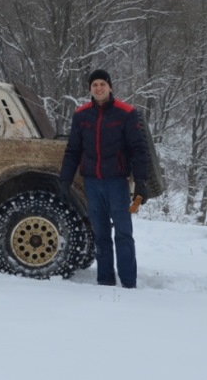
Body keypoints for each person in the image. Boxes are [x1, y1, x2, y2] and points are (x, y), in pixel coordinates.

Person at [60, 69, 150, 289]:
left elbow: (139, 150)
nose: (98, 88)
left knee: (123, 234)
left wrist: (141, 183)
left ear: (110, 86)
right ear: (90, 89)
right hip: (92, 183)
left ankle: (128, 283)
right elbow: (73, 150)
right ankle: (105, 281)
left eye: (102, 84)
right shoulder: (81, 115)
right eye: (94, 85)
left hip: (117, 183)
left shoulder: (126, 113)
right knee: (100, 234)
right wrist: (64, 180)